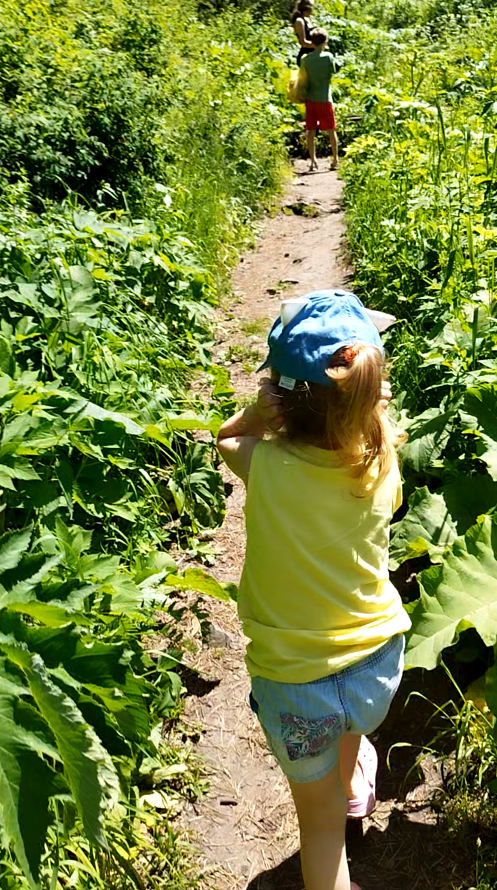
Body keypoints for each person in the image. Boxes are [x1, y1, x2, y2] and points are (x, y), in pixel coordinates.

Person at [217, 290, 411, 890]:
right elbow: (371, 432)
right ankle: (351, 783)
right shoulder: (382, 465)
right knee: (351, 731)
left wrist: (256, 415)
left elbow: (225, 438)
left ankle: (338, 802)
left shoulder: (265, 466)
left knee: (321, 834)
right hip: (375, 665)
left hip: (297, 684)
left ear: (282, 399)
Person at [301, 28, 338, 171]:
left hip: (310, 99)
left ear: (312, 42)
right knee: (331, 130)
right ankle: (335, 160)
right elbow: (332, 71)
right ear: (325, 42)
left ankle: (313, 161)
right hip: (325, 98)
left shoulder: (306, 59)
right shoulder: (328, 57)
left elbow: (303, 77)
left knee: (310, 130)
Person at [291, 0, 315, 67]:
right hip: (306, 56)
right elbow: (303, 42)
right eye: (311, 8)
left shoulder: (308, 19)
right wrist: (318, 45)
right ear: (307, 8)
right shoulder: (299, 21)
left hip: (314, 55)